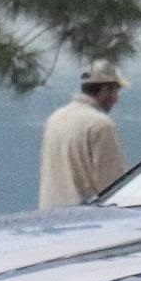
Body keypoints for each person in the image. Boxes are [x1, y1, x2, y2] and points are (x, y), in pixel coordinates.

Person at [39, 62, 129, 207]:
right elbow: (112, 185)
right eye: (116, 91)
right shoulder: (100, 125)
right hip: (86, 219)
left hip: (49, 216)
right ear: (105, 89)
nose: (116, 99)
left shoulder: (55, 119)